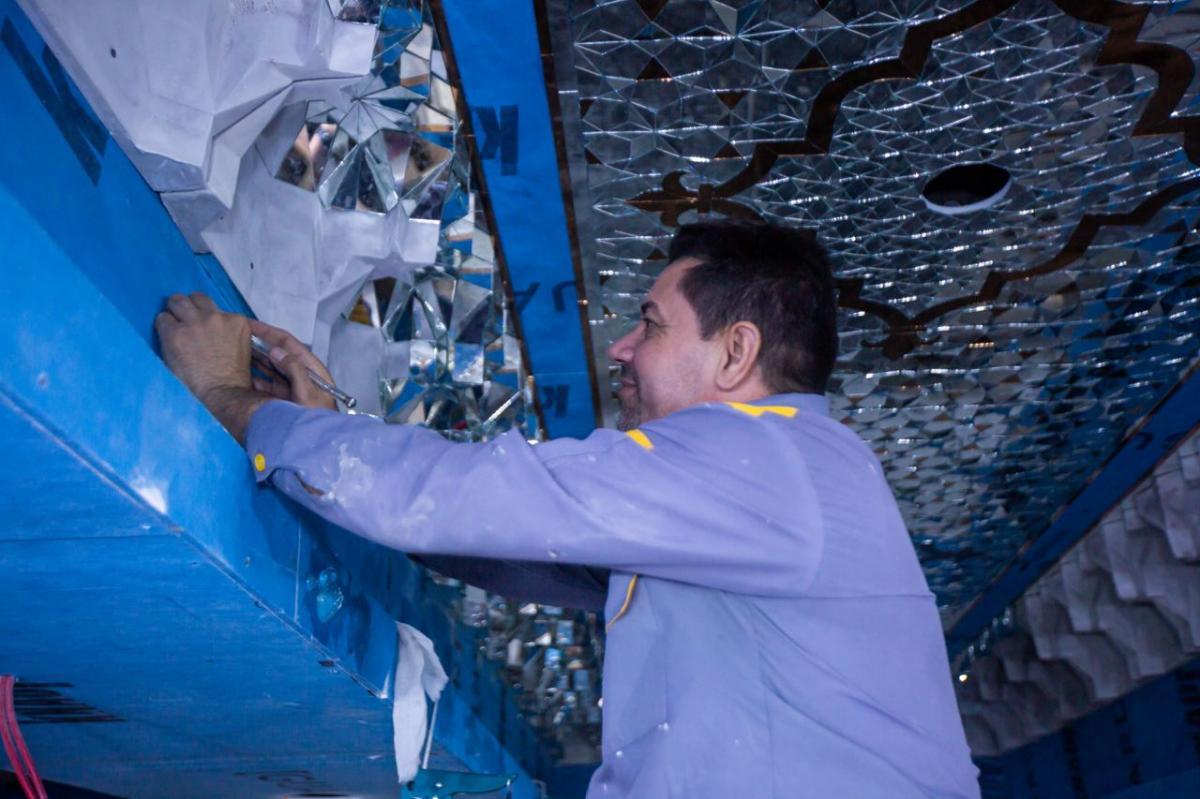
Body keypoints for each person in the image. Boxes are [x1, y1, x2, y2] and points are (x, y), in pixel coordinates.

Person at [156, 220, 980, 798]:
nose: (621, 347)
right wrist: (324, 431)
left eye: (650, 325)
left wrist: (234, 401)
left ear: (736, 353)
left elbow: (472, 495)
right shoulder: (781, 485)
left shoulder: (764, 455)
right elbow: (494, 537)